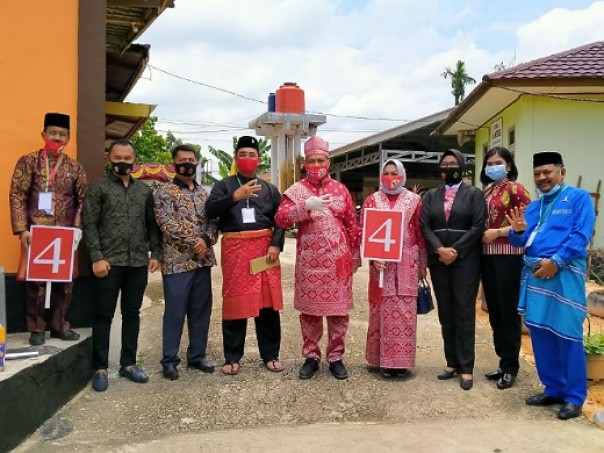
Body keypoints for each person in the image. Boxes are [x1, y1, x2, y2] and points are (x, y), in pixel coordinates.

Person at [507, 151, 595, 420]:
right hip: (535, 277)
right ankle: (553, 388)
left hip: (564, 274)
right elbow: (517, 241)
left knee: (567, 334)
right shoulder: (533, 207)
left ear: (562, 172)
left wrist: (556, 261)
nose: (542, 178)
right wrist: (518, 231)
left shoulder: (579, 198)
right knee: (541, 332)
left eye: (547, 172)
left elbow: (582, 235)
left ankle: (574, 396)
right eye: (537, 174)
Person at [275, 135, 360, 380]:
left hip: (337, 263)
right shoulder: (296, 191)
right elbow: (280, 219)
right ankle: (311, 356)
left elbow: (352, 226)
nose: (316, 164)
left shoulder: (341, 190)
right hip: (309, 265)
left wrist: (355, 256)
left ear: (329, 162)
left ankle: (336, 357)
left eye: (320, 160)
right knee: (310, 315)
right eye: (311, 160)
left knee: (338, 314)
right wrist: (304, 207)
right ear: (304, 163)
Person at [83, 139, 161, 392]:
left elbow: (152, 225)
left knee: (132, 314)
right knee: (104, 315)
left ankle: (128, 364)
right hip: (108, 262)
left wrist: (155, 253)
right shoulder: (98, 189)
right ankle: (100, 368)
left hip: (137, 262)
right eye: (118, 157)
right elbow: (90, 224)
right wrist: (96, 257)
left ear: (134, 161)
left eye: (128, 159)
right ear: (109, 158)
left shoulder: (144, 191)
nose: (123, 163)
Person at [206, 136, 284, 375]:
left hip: (264, 251)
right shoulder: (224, 186)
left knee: (267, 304)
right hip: (236, 250)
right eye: (243, 155)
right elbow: (210, 211)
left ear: (259, 159)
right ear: (235, 158)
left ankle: (270, 354)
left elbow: (281, 219)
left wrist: (276, 245)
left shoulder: (270, 188)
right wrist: (235, 197)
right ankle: (232, 356)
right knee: (235, 302)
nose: (248, 159)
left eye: (252, 155)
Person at [9, 112, 87, 346]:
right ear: (43, 134)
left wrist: (77, 229)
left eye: (62, 134)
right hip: (36, 233)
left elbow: (83, 199)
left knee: (65, 283)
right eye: (52, 132)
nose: (57, 137)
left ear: (68, 137)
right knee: (36, 283)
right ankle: (36, 328)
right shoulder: (28, 161)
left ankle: (59, 325)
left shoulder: (75, 166)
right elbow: (17, 195)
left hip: (65, 234)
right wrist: (22, 229)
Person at [420, 149, 487, 390]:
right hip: (439, 262)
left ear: (461, 165)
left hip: (465, 260)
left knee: (464, 313)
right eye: (445, 163)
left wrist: (454, 250)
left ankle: (467, 367)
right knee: (446, 313)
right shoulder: (431, 195)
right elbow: (425, 226)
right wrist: (440, 251)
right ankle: (452, 361)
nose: (449, 167)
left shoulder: (474, 195)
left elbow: (479, 226)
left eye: (453, 163)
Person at [154, 144, 218, 381]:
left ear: (196, 162)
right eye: (182, 159)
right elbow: (166, 224)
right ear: (174, 163)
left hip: (202, 262)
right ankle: (169, 360)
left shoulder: (204, 193)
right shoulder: (164, 192)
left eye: (191, 159)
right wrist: (195, 242)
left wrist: (206, 239)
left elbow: (213, 221)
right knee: (175, 312)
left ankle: (197, 356)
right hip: (177, 262)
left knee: (201, 310)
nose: (187, 163)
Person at [361, 159, 427, 378]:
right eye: (386, 173)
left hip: (407, 263)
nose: (390, 177)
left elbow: (420, 232)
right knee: (381, 313)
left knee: (405, 313)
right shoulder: (372, 200)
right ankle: (382, 361)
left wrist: (422, 264)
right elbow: (365, 232)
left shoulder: (414, 200)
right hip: (381, 266)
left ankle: (401, 363)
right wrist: (372, 257)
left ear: (403, 174)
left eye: (394, 173)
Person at [479, 146, 531, 390]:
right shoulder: (487, 191)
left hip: (509, 257)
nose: (493, 167)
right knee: (495, 312)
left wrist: (497, 233)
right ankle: (502, 360)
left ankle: (511, 366)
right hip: (487, 258)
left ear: (508, 166)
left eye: (498, 162)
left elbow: (528, 224)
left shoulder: (516, 189)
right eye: (489, 163)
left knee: (509, 312)